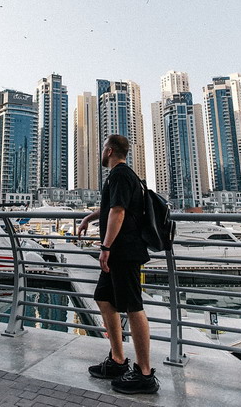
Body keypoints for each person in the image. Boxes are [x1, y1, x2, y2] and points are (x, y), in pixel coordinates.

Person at [77, 134, 159, 395]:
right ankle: (118, 359)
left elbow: (119, 211)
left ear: (110, 151)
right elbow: (113, 205)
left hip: (124, 251)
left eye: (103, 148)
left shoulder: (121, 174)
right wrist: (89, 218)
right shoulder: (121, 176)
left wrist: (106, 247)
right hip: (118, 252)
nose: (102, 152)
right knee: (103, 298)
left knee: (134, 307)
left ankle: (144, 374)